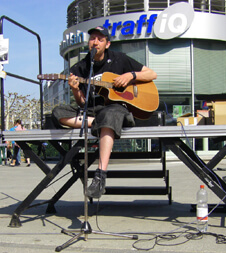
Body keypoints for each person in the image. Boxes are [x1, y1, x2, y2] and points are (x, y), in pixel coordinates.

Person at [52, 26, 157, 198]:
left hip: (115, 109)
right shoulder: (80, 68)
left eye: (100, 39)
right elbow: (82, 103)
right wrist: (75, 89)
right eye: (92, 38)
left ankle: (100, 175)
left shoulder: (119, 59)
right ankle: (98, 124)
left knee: (109, 115)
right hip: (93, 111)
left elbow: (152, 74)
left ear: (107, 44)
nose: (95, 42)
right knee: (58, 112)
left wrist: (130, 76)